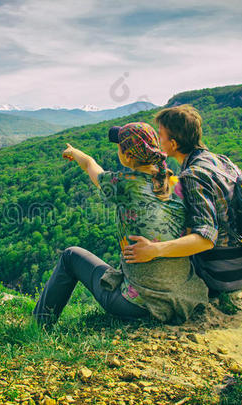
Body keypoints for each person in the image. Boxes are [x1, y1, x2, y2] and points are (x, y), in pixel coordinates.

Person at [32, 122, 208, 326]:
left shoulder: (124, 183)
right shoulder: (177, 184)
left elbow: (90, 165)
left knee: (70, 256)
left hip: (137, 305)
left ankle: (38, 327)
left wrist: (74, 152)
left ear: (128, 156)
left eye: (119, 147)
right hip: (184, 298)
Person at [123, 105, 242, 294]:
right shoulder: (220, 160)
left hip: (222, 273)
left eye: (161, 136)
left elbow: (205, 240)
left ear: (174, 144)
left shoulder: (192, 176)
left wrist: (155, 249)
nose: (158, 142)